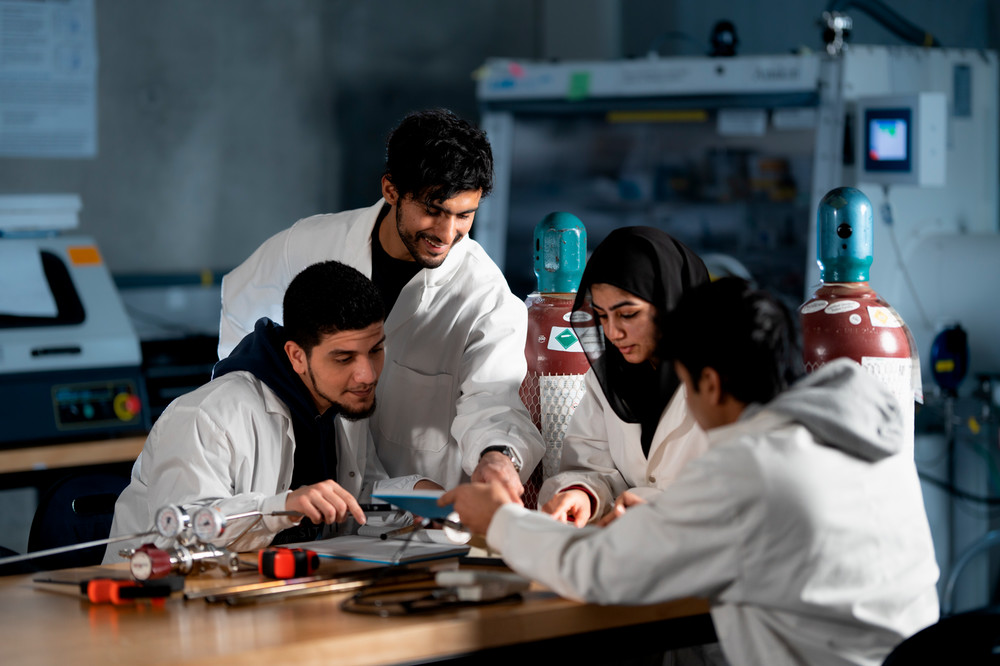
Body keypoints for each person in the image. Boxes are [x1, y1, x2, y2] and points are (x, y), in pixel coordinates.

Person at [442, 278, 941, 666]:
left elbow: (598, 572)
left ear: (709, 382)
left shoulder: (752, 467)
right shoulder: (857, 423)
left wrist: (501, 520)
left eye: (682, 383)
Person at [218, 108, 543, 499]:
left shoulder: (484, 298)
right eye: (432, 210)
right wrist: (262, 412)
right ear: (391, 190)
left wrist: (497, 456)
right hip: (299, 502)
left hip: (413, 519)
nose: (446, 232)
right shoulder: (308, 244)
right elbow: (242, 313)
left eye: (464, 216)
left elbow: (494, 400)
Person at [105, 261, 440, 562]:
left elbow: (354, 498)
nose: (367, 375)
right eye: (344, 358)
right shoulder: (207, 415)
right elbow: (185, 531)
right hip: (155, 605)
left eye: (375, 350)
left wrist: (419, 497)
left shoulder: (343, 403)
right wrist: (282, 508)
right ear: (296, 356)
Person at [539, 226, 711, 525]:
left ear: (670, 303)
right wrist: (583, 494)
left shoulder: (724, 379)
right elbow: (590, 466)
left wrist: (648, 506)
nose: (613, 333)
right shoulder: (610, 378)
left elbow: (738, 489)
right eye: (602, 316)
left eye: (628, 314)